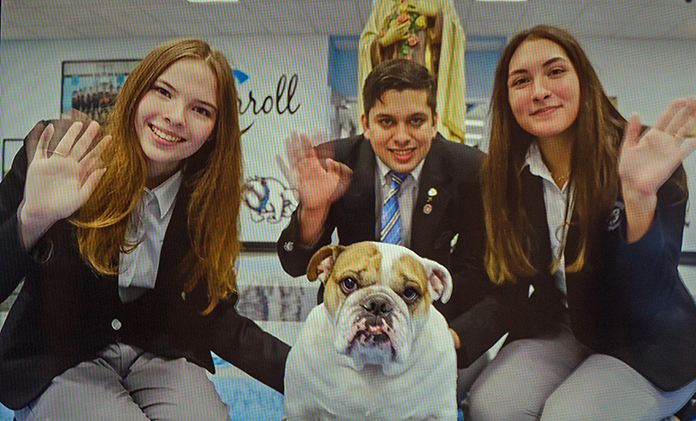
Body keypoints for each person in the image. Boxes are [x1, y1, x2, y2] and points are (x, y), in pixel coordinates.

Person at [0, 39, 289, 420]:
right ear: (137, 90)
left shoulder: (205, 196)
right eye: (163, 92)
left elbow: (214, 314)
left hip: (158, 351)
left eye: (200, 109)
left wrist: (306, 371)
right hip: (59, 356)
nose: (175, 117)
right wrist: (30, 220)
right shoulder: (62, 153)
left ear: (217, 129)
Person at [460, 25, 696, 421]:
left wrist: (638, 199)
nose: (539, 90)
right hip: (568, 325)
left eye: (555, 72)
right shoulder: (507, 175)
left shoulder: (640, 159)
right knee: (489, 407)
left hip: (647, 338)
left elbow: (653, 291)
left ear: (584, 80)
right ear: (507, 99)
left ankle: (674, 404)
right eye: (521, 80)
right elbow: (506, 287)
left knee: (567, 417)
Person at [277, 58, 492, 368]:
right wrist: (313, 210)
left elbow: (476, 266)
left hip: (428, 321)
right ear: (365, 124)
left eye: (416, 121)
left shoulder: (470, 169)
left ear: (434, 122)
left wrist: (431, 325)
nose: (401, 137)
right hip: (347, 323)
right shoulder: (335, 161)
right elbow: (296, 264)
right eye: (386, 122)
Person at [358, 0, 466, 143]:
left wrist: (436, 16)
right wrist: (385, 41)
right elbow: (365, 45)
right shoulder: (384, 3)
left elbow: (455, 38)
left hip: (426, 83)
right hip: (391, 87)